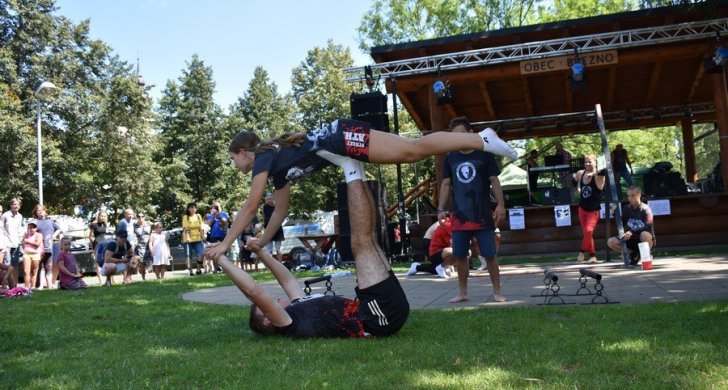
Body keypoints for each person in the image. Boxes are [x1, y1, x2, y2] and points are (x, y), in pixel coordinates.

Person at [206, 117, 517, 261]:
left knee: (411, 151)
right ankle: (482, 139)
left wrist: (224, 244)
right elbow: (281, 209)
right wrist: (261, 239)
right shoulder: (275, 166)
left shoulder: (263, 156)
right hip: (341, 149)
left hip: (341, 138)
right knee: (411, 149)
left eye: (232, 159)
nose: (234, 164)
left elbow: (250, 207)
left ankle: (482, 140)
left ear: (244, 152)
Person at [211, 153, 409, 338]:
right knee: (362, 242)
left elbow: (286, 280)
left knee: (368, 239)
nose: (276, 299)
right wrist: (221, 259)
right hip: (378, 319)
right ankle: (350, 165)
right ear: (267, 320)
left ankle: (355, 166)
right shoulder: (289, 323)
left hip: (380, 310)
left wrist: (261, 252)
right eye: (270, 304)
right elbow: (254, 292)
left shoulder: (298, 305)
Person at [437, 117, 506, 303]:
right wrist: (440, 208)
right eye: (454, 136)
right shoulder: (450, 158)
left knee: (489, 255)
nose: (457, 139)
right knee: (460, 256)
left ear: (470, 133)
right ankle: (462, 293)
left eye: (460, 134)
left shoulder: (484, 154)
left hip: (483, 215)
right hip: (459, 216)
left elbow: (494, 181)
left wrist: (500, 204)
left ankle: (497, 292)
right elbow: (445, 184)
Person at [607, 186, 655, 266]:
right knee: (610, 242)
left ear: (639, 195)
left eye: (633, 195)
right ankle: (633, 253)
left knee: (645, 235)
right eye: (628, 196)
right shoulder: (626, 208)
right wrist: (615, 213)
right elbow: (622, 223)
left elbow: (648, 225)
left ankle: (646, 254)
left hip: (642, 239)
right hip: (629, 239)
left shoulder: (646, 209)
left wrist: (632, 231)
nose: (630, 198)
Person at [575, 154, 606, 264]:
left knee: (588, 231)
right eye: (586, 162)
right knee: (587, 234)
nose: (587, 164)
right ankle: (593, 256)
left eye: (590, 162)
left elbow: (603, 171)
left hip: (593, 210)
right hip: (582, 208)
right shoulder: (580, 173)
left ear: (595, 162)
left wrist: (593, 173)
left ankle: (581, 253)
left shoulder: (599, 176)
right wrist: (578, 188)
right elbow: (575, 180)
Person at [32, 204, 61, 289]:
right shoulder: (35, 222)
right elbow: (30, 232)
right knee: (39, 267)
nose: (41, 212)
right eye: (39, 211)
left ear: (45, 211)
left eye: (43, 210)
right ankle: (39, 285)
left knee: (48, 266)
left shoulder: (50, 221)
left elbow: (58, 229)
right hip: (38, 248)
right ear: (36, 212)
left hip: (49, 247)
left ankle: (50, 285)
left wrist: (54, 236)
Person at [1, 199, 23, 289]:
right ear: (10, 205)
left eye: (18, 204)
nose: (16, 206)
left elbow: (19, 230)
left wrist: (20, 241)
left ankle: (15, 284)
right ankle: (6, 285)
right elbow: (1, 229)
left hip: (16, 244)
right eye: (14, 204)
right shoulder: (5, 215)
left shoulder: (20, 216)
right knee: (7, 265)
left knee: (15, 265)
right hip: (7, 244)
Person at [181, 202, 205, 276]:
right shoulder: (186, 217)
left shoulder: (198, 216)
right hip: (188, 239)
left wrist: (202, 236)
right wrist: (188, 237)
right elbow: (186, 228)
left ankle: (198, 270)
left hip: (198, 239)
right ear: (188, 209)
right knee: (190, 256)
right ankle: (191, 272)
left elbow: (201, 227)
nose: (193, 209)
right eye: (191, 207)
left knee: (201, 253)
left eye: (194, 207)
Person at [205, 202, 229, 273]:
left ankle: (225, 268)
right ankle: (216, 269)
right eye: (213, 207)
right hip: (213, 236)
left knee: (223, 252)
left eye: (216, 207)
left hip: (222, 235)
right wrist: (214, 216)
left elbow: (225, 222)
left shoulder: (224, 214)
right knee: (215, 252)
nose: (215, 209)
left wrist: (219, 217)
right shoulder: (209, 216)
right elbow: (208, 224)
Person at [262, 193, 285, 262]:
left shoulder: (278, 205)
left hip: (278, 228)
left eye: (270, 199)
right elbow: (267, 217)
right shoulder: (265, 207)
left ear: (273, 198)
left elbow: (281, 215)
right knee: (269, 248)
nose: (269, 201)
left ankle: (280, 264)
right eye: (267, 199)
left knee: (278, 248)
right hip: (269, 228)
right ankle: (271, 265)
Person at [88, 211, 109, 284]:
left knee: (107, 261)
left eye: (104, 216)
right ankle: (101, 281)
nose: (103, 217)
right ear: (98, 216)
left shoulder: (105, 224)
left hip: (104, 243)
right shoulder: (94, 224)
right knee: (98, 262)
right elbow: (90, 237)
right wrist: (93, 247)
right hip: (97, 244)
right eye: (101, 216)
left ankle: (110, 279)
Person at [22, 220, 43, 289]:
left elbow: (37, 244)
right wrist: (25, 240)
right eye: (30, 227)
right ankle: (26, 287)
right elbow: (23, 244)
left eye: (33, 227)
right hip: (27, 254)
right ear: (28, 228)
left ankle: (33, 287)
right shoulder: (25, 235)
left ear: (36, 228)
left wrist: (28, 241)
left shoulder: (39, 235)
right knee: (26, 271)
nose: (32, 229)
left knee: (34, 271)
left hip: (35, 254)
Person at [133, 212, 151, 280]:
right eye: (139, 216)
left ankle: (159, 277)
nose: (141, 218)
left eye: (142, 216)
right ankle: (143, 278)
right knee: (142, 262)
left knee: (151, 261)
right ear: (137, 217)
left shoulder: (149, 224)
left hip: (149, 245)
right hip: (140, 245)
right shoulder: (134, 225)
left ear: (145, 217)